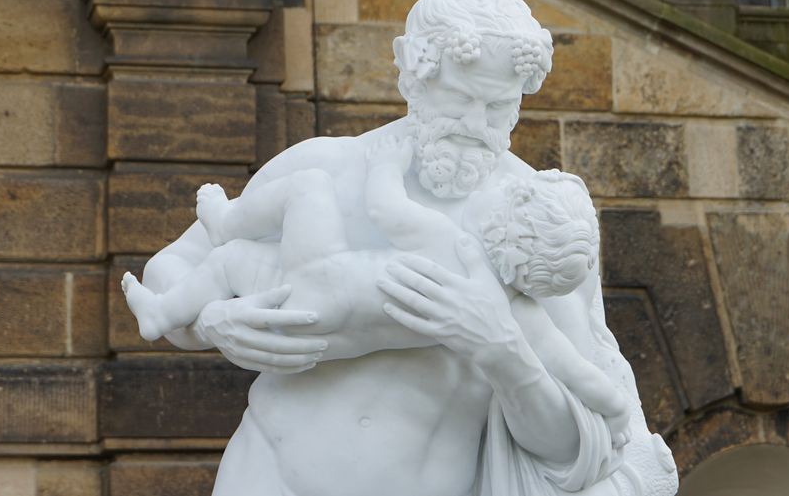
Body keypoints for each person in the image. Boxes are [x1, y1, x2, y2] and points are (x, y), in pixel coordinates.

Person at [139, 0, 679, 496]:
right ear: (411, 75)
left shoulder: (538, 230)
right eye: (460, 99)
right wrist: (213, 323)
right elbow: (173, 270)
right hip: (264, 477)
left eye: (498, 108)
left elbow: (579, 449)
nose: (475, 123)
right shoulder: (326, 167)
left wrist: (502, 351)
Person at [123, 134, 633, 449]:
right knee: (232, 261)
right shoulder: (517, 307)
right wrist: (614, 412)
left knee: (305, 190)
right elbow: (578, 372)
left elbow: (386, 209)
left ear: (504, 221)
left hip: (319, 282)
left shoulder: (453, 242)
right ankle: (168, 308)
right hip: (323, 326)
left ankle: (224, 224)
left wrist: (388, 165)